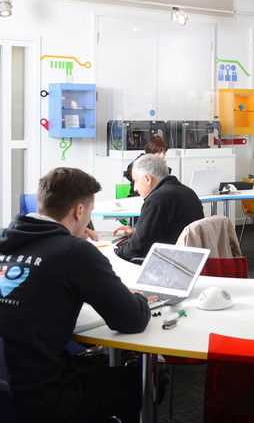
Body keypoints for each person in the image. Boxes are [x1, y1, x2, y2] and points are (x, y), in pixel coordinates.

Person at [0, 167, 150, 422]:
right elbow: (131, 319)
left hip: (8, 385)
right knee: (140, 381)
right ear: (79, 211)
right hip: (41, 395)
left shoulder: (7, 240)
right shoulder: (73, 252)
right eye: (90, 212)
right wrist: (139, 297)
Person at [113, 154, 204, 261]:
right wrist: (136, 234)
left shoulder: (156, 200)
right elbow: (166, 233)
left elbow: (138, 247)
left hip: (167, 263)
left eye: (136, 181)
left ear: (147, 179)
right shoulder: (188, 192)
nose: (135, 188)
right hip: (189, 260)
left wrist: (115, 253)